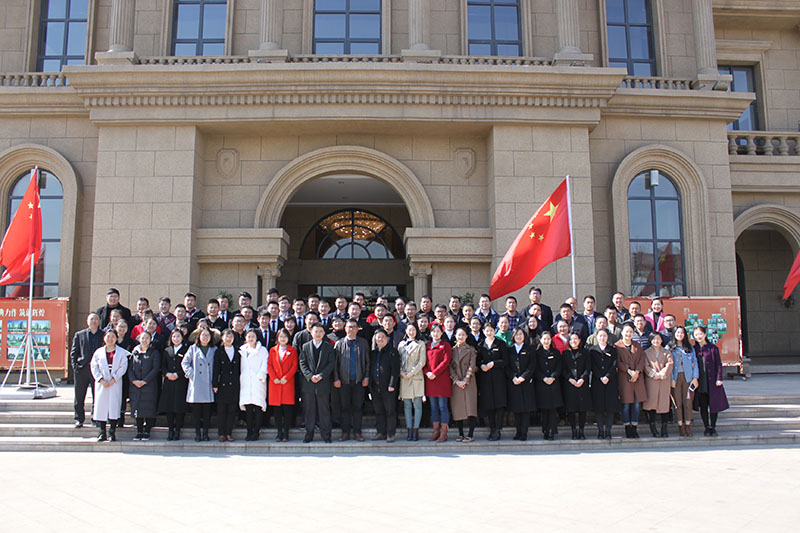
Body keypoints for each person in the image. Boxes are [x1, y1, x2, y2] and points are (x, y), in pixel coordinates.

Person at [333, 319, 370, 442]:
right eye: (349, 327)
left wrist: (366, 377)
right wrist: (336, 378)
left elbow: (367, 362)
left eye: (354, 327)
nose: (351, 329)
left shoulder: (363, 343)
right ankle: (345, 432)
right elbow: (335, 364)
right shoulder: (339, 343)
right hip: (343, 382)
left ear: (357, 329)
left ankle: (357, 432)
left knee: (357, 408)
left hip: (359, 381)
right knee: (344, 408)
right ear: (345, 328)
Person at [299, 323, 336, 443]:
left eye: (320, 331)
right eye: (316, 331)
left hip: (323, 382)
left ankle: (326, 435)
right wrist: (310, 376)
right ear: (311, 332)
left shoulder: (328, 347)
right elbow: (302, 363)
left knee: (324, 410)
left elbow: (331, 363)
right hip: (309, 384)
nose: (318, 334)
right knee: (309, 410)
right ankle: (309, 434)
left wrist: (321, 375)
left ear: (324, 333)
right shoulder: (305, 347)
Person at [90, 329, 129, 442]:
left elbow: (123, 367)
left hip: (115, 383)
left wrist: (113, 379)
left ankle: (112, 432)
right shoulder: (98, 352)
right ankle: (102, 432)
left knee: (113, 407)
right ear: (104, 338)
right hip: (102, 384)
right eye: (108, 336)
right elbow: (94, 366)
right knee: (101, 407)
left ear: (116, 338)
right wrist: (100, 379)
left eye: (113, 337)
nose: (110, 339)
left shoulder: (121, 352)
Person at [692, 326, 730, 437]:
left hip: (712, 381)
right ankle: (706, 427)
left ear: (705, 335)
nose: (698, 336)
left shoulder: (713, 348)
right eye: (696, 335)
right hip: (700, 381)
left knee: (714, 404)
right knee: (703, 405)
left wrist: (719, 378)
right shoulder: (694, 349)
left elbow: (718, 364)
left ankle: (713, 426)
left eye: (700, 334)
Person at [182, 329, 216, 442]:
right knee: (196, 412)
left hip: (209, 383)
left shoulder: (214, 349)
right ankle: (197, 433)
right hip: (196, 383)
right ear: (199, 337)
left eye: (207, 335)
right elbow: (185, 362)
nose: (205, 337)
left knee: (207, 412)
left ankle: (205, 433)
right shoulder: (193, 348)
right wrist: (192, 374)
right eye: (203, 335)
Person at [70, 313, 103, 428]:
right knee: (79, 396)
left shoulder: (104, 335)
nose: (94, 321)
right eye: (92, 319)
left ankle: (95, 418)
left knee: (97, 395)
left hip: (98, 370)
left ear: (99, 321)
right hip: (82, 369)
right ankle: (79, 419)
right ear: (87, 321)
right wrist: (75, 366)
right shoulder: (80, 335)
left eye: (96, 319)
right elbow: (74, 352)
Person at [128, 330, 161, 441]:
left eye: (147, 338)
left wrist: (145, 381)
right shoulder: (135, 352)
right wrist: (134, 380)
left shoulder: (154, 352)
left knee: (148, 408)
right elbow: (130, 368)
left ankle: (147, 431)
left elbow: (155, 368)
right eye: (142, 338)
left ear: (150, 340)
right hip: (136, 385)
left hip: (149, 384)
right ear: (139, 340)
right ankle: (139, 431)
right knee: (137, 408)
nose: (144, 340)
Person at [616, 323, 647, 439]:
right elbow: (618, 362)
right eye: (626, 332)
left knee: (636, 405)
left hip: (637, 379)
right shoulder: (617, 346)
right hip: (625, 378)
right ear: (622, 333)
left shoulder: (637, 346)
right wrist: (628, 371)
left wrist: (637, 372)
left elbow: (641, 360)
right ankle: (627, 427)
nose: (628, 334)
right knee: (626, 405)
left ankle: (634, 427)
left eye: (631, 332)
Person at [477, 321, 507, 441]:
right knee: (489, 405)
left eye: (491, 330)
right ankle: (492, 428)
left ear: (495, 331)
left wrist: (494, 363)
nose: (489, 332)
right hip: (485, 379)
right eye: (486, 330)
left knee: (499, 404)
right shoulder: (480, 345)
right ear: (483, 332)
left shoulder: (501, 344)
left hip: (498, 378)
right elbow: (477, 360)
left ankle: (498, 430)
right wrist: (481, 365)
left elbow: (505, 361)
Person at [370, 329, 401, 442]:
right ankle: (381, 432)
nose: (380, 339)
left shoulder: (393, 352)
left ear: (387, 338)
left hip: (388, 387)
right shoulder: (373, 353)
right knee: (379, 411)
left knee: (390, 411)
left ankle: (390, 433)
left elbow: (395, 370)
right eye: (378, 337)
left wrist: (392, 384)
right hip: (375, 386)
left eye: (383, 337)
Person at [505, 327, 536, 441]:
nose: (519, 336)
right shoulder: (510, 350)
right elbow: (507, 366)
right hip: (513, 383)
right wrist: (513, 377)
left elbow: (532, 365)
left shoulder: (530, 349)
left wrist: (523, 377)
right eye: (516, 334)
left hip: (526, 382)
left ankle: (524, 433)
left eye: (521, 334)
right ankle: (518, 432)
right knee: (516, 410)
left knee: (525, 410)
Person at [159, 328, 189, 441]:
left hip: (181, 381)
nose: (176, 339)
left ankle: (177, 430)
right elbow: (163, 366)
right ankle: (170, 430)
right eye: (174, 336)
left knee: (179, 407)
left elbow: (188, 365)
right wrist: (167, 374)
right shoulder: (167, 350)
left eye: (178, 336)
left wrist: (179, 374)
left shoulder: (186, 350)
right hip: (169, 382)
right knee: (169, 407)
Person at [267, 328, 297, 442]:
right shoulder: (272, 350)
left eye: (285, 336)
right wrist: (274, 377)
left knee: (287, 409)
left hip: (287, 383)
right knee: (277, 411)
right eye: (280, 337)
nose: (283, 339)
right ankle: (279, 432)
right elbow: (269, 365)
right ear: (277, 338)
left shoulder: (292, 350)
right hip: (275, 383)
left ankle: (286, 433)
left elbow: (294, 366)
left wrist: (286, 378)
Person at [425, 323, 453, 442]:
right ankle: (435, 431)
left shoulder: (445, 345)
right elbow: (423, 361)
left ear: (442, 333)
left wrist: (434, 372)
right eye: (433, 331)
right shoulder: (427, 345)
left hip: (441, 380)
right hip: (430, 380)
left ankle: (444, 432)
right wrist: (427, 372)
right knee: (433, 407)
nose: (435, 334)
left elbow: (446, 361)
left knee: (443, 407)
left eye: (438, 331)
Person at [398, 323, 426, 441]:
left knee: (418, 404)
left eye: (413, 330)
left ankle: (416, 429)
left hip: (416, 377)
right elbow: (398, 360)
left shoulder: (421, 344)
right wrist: (401, 372)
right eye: (409, 330)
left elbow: (422, 362)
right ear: (406, 331)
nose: (411, 332)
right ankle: (409, 429)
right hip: (404, 377)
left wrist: (412, 373)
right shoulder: (401, 345)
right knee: (407, 405)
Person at [450, 328, 478, 442]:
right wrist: (456, 380)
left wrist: (465, 380)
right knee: (458, 408)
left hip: (469, 382)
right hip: (456, 382)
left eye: (463, 335)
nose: (460, 337)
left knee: (471, 408)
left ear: (467, 336)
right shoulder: (452, 350)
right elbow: (450, 367)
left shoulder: (471, 350)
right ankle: (460, 433)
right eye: (458, 335)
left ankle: (470, 434)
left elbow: (472, 365)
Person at [669, 326, 699, 437]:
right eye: (678, 332)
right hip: (675, 378)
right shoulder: (670, 347)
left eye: (682, 332)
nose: (680, 334)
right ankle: (680, 426)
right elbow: (668, 364)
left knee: (688, 402)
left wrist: (695, 378)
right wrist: (671, 378)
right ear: (674, 334)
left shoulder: (689, 347)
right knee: (677, 403)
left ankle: (688, 425)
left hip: (688, 378)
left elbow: (695, 363)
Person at [240, 329, 269, 441]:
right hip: (246, 382)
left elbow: (265, 364)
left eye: (253, 336)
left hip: (258, 381)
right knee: (248, 408)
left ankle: (256, 431)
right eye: (249, 336)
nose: (251, 338)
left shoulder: (262, 350)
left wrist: (261, 375)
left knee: (258, 407)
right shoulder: (242, 350)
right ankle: (249, 431)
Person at [643, 332, 673, 438]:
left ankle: (664, 428)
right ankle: (653, 428)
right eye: (654, 339)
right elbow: (645, 365)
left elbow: (670, 363)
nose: (656, 341)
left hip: (664, 380)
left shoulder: (667, 352)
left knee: (664, 404)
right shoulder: (646, 352)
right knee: (651, 405)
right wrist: (653, 374)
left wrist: (662, 374)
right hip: (652, 381)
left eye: (658, 339)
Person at [213, 330, 241, 442]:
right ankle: (221, 433)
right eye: (227, 336)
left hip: (234, 384)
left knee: (231, 410)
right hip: (222, 384)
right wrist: (215, 384)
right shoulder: (218, 351)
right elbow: (215, 369)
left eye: (231, 336)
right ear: (222, 338)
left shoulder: (238, 351)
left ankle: (229, 433)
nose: (229, 339)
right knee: (221, 410)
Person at [562, 332, 592, 440]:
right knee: (571, 409)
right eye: (571, 339)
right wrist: (570, 379)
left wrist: (582, 379)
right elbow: (563, 369)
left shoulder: (585, 352)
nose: (573, 341)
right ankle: (573, 430)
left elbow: (587, 368)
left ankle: (582, 430)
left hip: (582, 384)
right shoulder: (565, 353)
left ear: (579, 340)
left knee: (582, 409)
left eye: (576, 339)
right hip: (570, 384)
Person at [589, 329, 618, 440]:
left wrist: (607, 376)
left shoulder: (613, 350)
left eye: (604, 336)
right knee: (599, 407)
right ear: (597, 337)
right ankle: (600, 431)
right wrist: (600, 376)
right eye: (600, 336)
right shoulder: (592, 350)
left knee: (610, 407)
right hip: (597, 381)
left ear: (608, 337)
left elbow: (614, 364)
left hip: (610, 381)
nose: (602, 338)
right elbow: (592, 365)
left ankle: (608, 431)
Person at [535, 330, 563, 440]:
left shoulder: (555, 352)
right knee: (544, 410)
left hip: (553, 384)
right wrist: (543, 378)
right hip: (542, 384)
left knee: (552, 410)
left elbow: (559, 367)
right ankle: (545, 430)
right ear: (541, 340)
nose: (546, 341)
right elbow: (536, 368)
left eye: (548, 339)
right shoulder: (537, 353)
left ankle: (552, 430)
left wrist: (553, 377)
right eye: (544, 339)